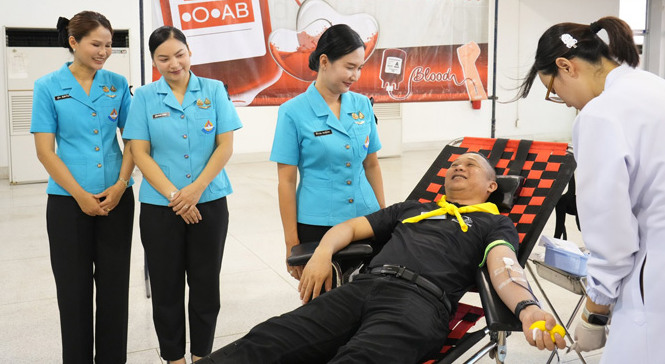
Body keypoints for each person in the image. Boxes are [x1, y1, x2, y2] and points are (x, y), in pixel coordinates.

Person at [201, 152, 566, 364]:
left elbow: (504, 266)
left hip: (418, 304)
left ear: (491, 186)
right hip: (361, 288)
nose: (458, 166)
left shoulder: (494, 222)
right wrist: (323, 252)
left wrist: (527, 308)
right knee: (267, 340)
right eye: (455, 163)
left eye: (470, 165)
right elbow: (351, 228)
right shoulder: (414, 208)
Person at [517, 16, 665, 363]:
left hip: (661, 280)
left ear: (566, 66)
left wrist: (594, 313)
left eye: (554, 90)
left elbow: (612, 239)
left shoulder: (600, 115)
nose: (564, 102)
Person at [124, 26, 242, 364]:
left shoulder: (214, 90)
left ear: (190, 52)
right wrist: (177, 196)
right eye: (163, 58)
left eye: (179, 54)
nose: (174, 63)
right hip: (161, 208)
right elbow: (139, 152)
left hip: (209, 202)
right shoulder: (144, 97)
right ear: (153, 61)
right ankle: (174, 358)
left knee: (206, 285)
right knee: (166, 288)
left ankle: (202, 355)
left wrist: (196, 189)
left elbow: (225, 145)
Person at [31, 11, 135, 364]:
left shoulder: (117, 84)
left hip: (116, 199)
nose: (104, 52)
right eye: (96, 44)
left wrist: (121, 185)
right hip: (67, 203)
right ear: (73, 42)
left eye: (109, 45)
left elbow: (132, 141)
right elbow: (45, 151)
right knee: (73, 292)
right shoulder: (48, 86)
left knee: (114, 289)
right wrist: (79, 195)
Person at [270, 24, 386, 281]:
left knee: (368, 295)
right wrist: (291, 243)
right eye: (349, 67)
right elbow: (286, 182)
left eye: (359, 68)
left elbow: (372, 165)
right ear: (324, 61)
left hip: (364, 218)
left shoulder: (362, 105)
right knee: (322, 299)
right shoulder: (293, 111)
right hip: (317, 224)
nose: (355, 75)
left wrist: (382, 216)